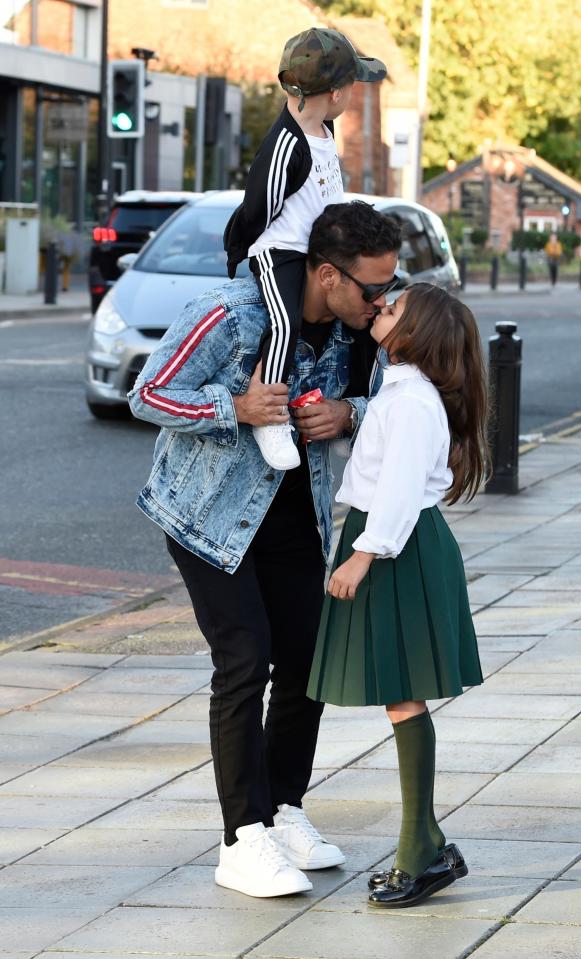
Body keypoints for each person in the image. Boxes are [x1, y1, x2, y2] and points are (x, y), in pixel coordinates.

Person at [128, 201, 402, 899]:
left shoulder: (355, 334)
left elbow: (399, 406)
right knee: (245, 655)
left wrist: (350, 414)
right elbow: (149, 392)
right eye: (371, 289)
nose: (381, 302)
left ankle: (282, 811)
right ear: (326, 275)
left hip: (290, 520)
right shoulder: (232, 312)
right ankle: (241, 838)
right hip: (207, 518)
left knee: (307, 658)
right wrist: (236, 408)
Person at [307, 283, 489, 908]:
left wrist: (362, 554)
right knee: (399, 697)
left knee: (403, 695)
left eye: (394, 308)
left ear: (420, 334)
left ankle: (421, 852)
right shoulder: (402, 387)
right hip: (390, 538)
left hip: (394, 543)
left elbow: (401, 486)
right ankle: (427, 842)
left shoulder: (412, 400)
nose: (380, 308)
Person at [223, 27, 386, 471]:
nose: (353, 93)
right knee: (283, 325)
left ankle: (363, 400)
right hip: (282, 252)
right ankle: (271, 417)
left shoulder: (323, 129)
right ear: (335, 94)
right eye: (352, 84)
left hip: (320, 250)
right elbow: (260, 205)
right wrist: (241, 251)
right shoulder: (287, 146)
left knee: (359, 321)